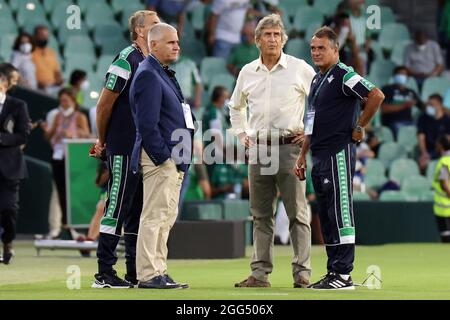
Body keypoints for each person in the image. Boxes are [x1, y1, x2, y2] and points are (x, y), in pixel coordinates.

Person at [294, 26, 385, 290]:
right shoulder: (316, 80)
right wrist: (302, 155)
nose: (316, 52)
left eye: (322, 48)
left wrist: (360, 126)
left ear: (335, 50)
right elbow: (310, 122)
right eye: (313, 48)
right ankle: (334, 271)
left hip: (338, 153)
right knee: (327, 215)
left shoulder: (344, 74)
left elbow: (376, 95)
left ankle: (344, 274)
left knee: (340, 212)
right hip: (319, 155)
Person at [230, 14, 316, 289]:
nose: (273, 39)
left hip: (291, 147)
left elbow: (319, 101)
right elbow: (235, 107)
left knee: (297, 214)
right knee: (260, 214)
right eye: (267, 34)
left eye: (277, 34)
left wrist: (310, 131)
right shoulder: (247, 72)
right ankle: (259, 274)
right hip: (259, 150)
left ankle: (302, 273)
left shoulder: (299, 68)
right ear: (257, 41)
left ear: (284, 39)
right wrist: (242, 134)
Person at [90, 10, 160, 289]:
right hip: (122, 145)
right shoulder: (126, 59)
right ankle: (104, 272)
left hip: (143, 148)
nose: (161, 27)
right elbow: (104, 105)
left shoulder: (151, 62)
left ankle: (133, 271)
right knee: (116, 206)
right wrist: (102, 141)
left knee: (136, 210)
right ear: (140, 31)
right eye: (155, 24)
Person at [130, 23, 193, 289]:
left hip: (175, 156)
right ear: (153, 45)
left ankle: (159, 269)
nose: (177, 46)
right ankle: (148, 274)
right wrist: (163, 157)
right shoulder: (148, 74)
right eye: (170, 42)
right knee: (154, 216)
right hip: (162, 158)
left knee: (165, 217)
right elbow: (147, 124)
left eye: (177, 41)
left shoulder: (162, 73)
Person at [41, 88, 91, 231]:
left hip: (73, 158)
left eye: (66, 100)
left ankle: (72, 224)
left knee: (71, 191)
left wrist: (72, 134)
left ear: (73, 100)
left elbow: (87, 135)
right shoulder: (57, 117)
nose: (63, 103)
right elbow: (48, 137)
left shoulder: (79, 116)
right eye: (61, 100)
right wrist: (50, 131)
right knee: (59, 191)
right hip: (57, 156)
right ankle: (62, 224)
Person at [0, 72, 31, 264]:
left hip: (9, 167)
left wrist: (2, 138)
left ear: (3, 84)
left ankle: (8, 242)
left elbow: (23, 135)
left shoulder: (18, 105)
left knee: (9, 208)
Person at [380, 66, 423, 137]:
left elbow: (422, 106)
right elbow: (383, 109)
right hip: (392, 121)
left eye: (404, 74)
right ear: (394, 76)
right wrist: (404, 105)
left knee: (420, 131)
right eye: (399, 74)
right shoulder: (387, 89)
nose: (401, 76)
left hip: (410, 122)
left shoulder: (410, 92)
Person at [418, 94, 450, 172]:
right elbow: (421, 137)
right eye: (428, 104)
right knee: (423, 163)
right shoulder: (423, 118)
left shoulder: (447, 120)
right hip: (429, 151)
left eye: (432, 105)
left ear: (439, 105)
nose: (429, 107)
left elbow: (448, 139)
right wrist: (424, 153)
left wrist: (442, 151)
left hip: (444, 150)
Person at [32, 25, 63, 95]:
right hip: (36, 88)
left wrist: (59, 81)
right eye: (42, 36)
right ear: (35, 36)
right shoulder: (30, 53)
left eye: (46, 36)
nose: (45, 38)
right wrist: (38, 84)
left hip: (52, 88)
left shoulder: (51, 52)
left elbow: (57, 72)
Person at [432, 134, 450, 243]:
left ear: (440, 146)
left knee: (446, 238)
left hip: (444, 208)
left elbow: (444, 184)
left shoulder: (443, 161)